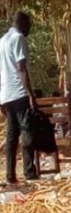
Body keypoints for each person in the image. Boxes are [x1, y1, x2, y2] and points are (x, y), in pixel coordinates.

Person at [0, 12, 37, 184]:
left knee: (12, 136)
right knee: (27, 131)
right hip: (19, 92)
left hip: (6, 94)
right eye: (28, 23)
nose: (29, 27)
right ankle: (29, 172)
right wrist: (30, 94)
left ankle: (10, 176)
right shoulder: (19, 38)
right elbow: (21, 68)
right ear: (21, 23)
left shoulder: (2, 41)